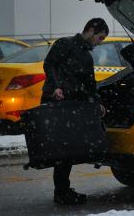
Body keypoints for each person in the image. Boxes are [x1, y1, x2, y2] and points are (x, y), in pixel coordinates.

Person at [41, 18, 108, 205]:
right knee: (63, 151)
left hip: (72, 106)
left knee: (68, 151)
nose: (99, 42)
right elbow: (49, 64)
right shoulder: (65, 44)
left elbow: (89, 84)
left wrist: (97, 102)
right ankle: (61, 192)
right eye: (100, 37)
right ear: (91, 30)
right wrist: (55, 87)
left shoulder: (87, 56)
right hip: (57, 104)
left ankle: (62, 191)